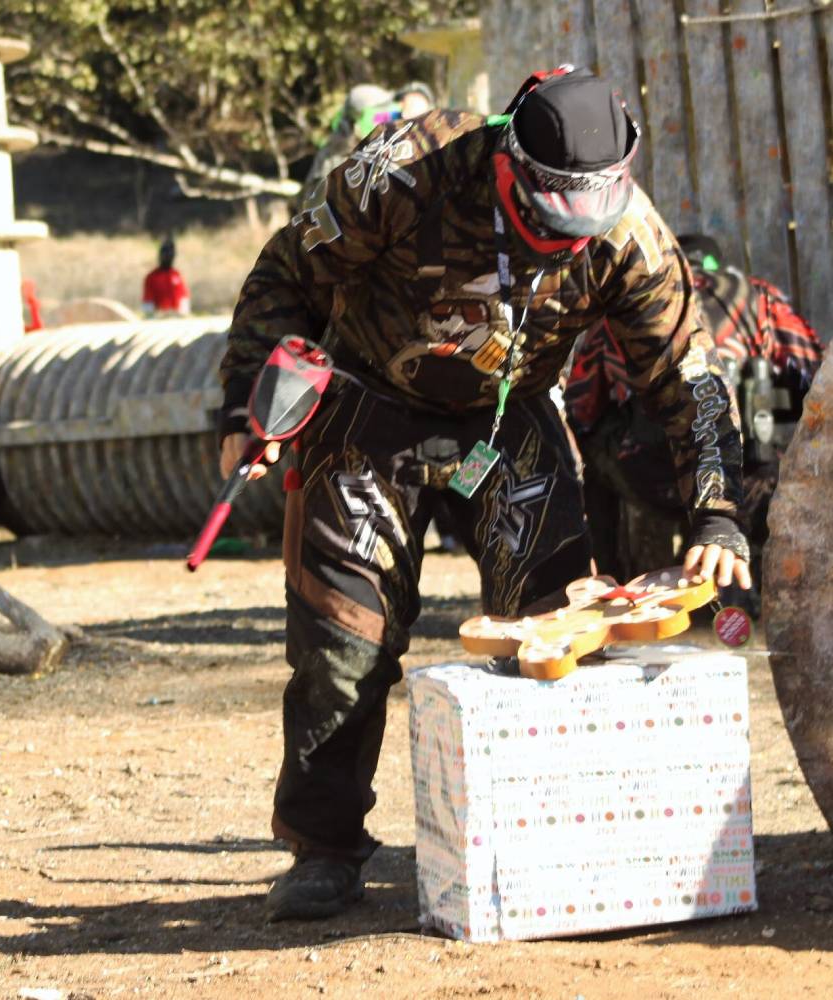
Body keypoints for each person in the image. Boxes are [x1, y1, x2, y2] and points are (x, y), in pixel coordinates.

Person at [217, 66, 751, 923]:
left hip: (509, 427)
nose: (566, 242)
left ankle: (548, 832)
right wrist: (251, 397)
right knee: (341, 643)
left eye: (586, 225)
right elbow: (289, 271)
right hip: (366, 411)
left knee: (557, 630)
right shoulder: (403, 170)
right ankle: (325, 849)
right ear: (512, 166)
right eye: (548, 222)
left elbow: (684, 373)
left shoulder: (629, 237)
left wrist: (716, 510)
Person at [564, 233, 823, 594]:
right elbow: (815, 376)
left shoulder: (630, 297)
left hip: (650, 475)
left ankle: (604, 588)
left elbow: (580, 407)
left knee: (585, 450)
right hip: (751, 480)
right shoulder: (758, 295)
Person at [141, 236, 191, 317]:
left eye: (170, 255)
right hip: (159, 318)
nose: (168, 257)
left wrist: (183, 314)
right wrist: (151, 316)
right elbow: (148, 303)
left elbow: (183, 299)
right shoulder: (152, 277)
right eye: (165, 255)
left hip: (176, 317)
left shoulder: (176, 275)